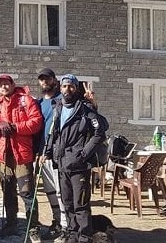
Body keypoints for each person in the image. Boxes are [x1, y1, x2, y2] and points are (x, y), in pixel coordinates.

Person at [44, 74, 108, 243]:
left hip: (79, 165)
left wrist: (84, 153)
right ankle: (72, 235)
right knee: (67, 203)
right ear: (60, 88)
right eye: (65, 86)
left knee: (80, 204)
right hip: (62, 163)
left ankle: (84, 237)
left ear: (76, 88)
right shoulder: (58, 107)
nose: (68, 89)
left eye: (71, 86)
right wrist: (48, 152)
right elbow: (53, 133)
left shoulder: (85, 108)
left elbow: (100, 132)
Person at [0, 74, 43, 241]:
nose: (4, 87)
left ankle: (33, 227)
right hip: (5, 155)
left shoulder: (26, 100)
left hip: (22, 154)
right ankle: (11, 224)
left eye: (7, 84)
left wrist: (15, 127)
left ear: (13, 85)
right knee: (8, 191)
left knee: (27, 192)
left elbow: (36, 122)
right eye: (1, 85)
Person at [34, 68, 68, 239]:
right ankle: (56, 222)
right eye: (42, 79)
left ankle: (66, 226)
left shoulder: (63, 100)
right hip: (42, 154)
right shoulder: (39, 103)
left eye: (48, 78)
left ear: (55, 80)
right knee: (50, 191)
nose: (45, 82)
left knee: (61, 191)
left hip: (59, 154)